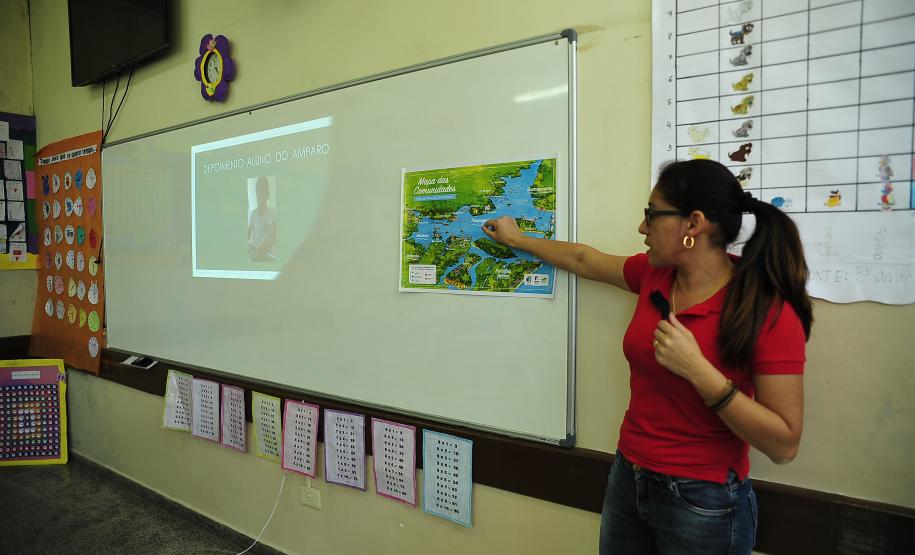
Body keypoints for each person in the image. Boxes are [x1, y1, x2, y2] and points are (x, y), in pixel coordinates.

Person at [483, 159, 812, 554]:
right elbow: (584, 260)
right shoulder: (656, 275)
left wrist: (699, 372)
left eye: (652, 215)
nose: (642, 228)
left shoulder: (764, 309)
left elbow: (784, 445)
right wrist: (518, 240)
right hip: (629, 476)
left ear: (693, 224)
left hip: (703, 500)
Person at [248, 176, 277, 261]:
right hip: (255, 253)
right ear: (256, 196)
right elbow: (249, 231)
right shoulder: (253, 213)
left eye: (263, 198)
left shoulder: (271, 212)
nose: (260, 202)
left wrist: (270, 234)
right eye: (258, 198)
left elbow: (273, 234)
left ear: (267, 195)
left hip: (266, 254)